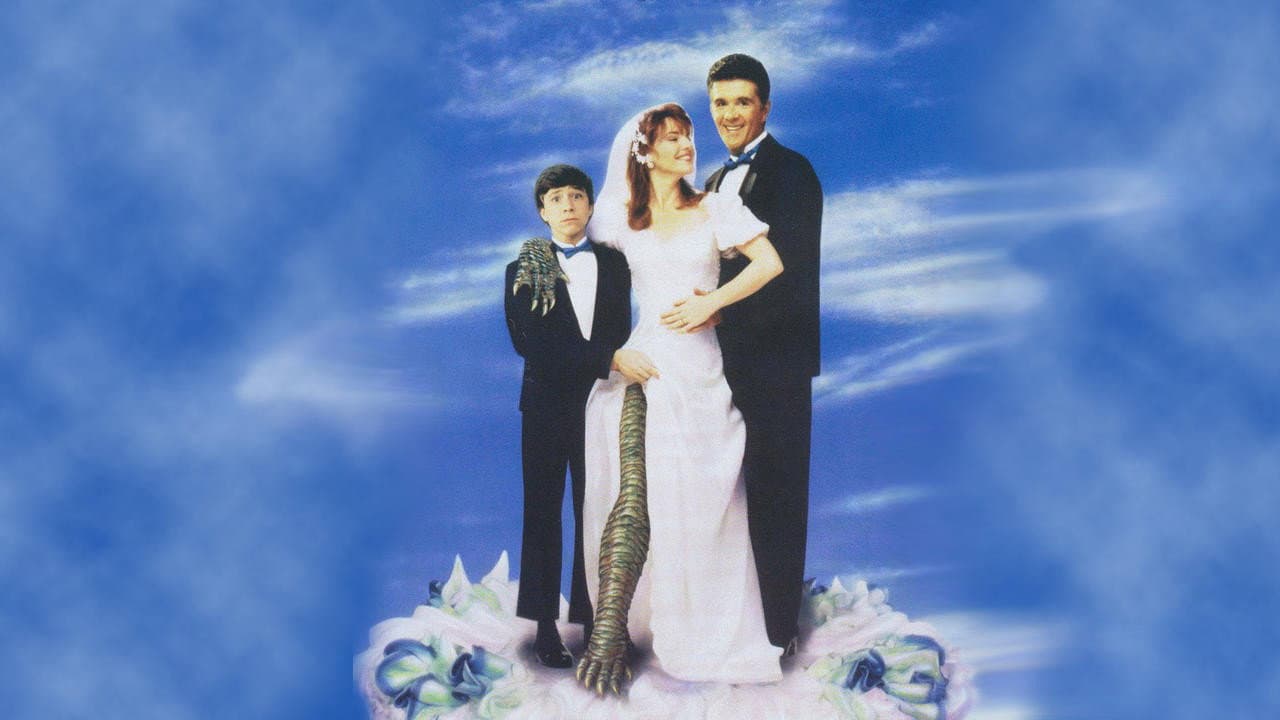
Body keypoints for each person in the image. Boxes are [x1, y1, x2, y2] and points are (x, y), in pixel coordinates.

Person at [580, 103, 786, 684]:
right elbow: (572, 249)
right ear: (644, 153)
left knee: (700, 494)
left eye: (688, 136)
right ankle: (614, 629)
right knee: (638, 489)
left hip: (700, 366)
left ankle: (701, 627)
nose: (686, 145)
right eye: (671, 138)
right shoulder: (620, 221)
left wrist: (711, 303)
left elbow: (769, 263)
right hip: (645, 363)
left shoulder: (715, 207)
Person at [703, 54, 823, 656]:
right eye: (720, 103)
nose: (730, 114)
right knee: (726, 493)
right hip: (721, 361)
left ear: (766, 107)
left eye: (742, 102)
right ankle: (735, 622)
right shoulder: (711, 182)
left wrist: (717, 309)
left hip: (777, 360)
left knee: (777, 492)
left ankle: (778, 632)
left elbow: (788, 271)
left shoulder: (792, 171)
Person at [504, 164, 633, 668]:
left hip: (601, 400)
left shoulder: (614, 264)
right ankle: (544, 627)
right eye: (556, 198)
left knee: (595, 508)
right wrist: (606, 358)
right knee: (542, 514)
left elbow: (621, 327)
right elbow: (531, 344)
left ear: (591, 205)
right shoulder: (521, 270)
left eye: (577, 196)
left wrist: (610, 364)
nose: (568, 205)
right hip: (544, 405)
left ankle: (593, 619)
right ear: (542, 211)